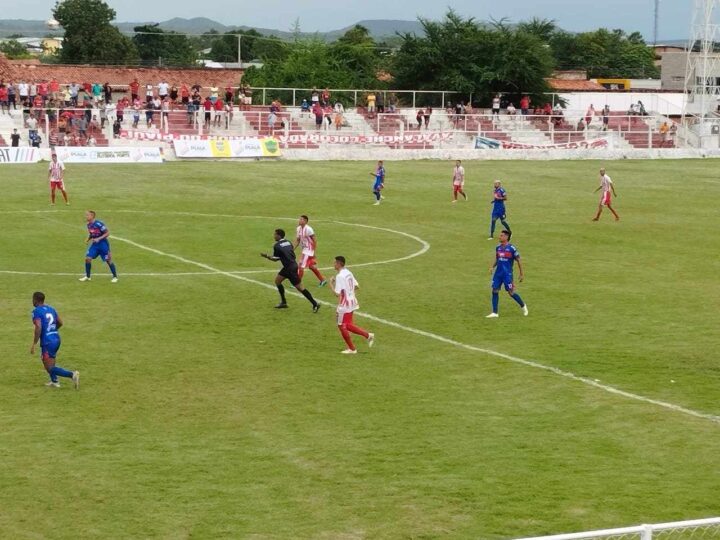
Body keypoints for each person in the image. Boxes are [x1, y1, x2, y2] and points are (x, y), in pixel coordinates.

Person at [261, 229, 320, 312]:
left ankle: (315, 304)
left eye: (275, 234)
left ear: (279, 235)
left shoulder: (277, 245)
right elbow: (290, 251)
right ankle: (283, 302)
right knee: (277, 281)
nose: (274, 236)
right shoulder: (288, 242)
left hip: (289, 269)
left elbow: (275, 259)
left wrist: (267, 256)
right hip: (291, 266)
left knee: (300, 288)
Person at [30, 291, 80, 389]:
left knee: (49, 367)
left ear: (35, 300)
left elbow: (38, 327)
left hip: (48, 341)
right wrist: (52, 330)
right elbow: (60, 322)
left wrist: (34, 343)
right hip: (56, 338)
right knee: (48, 361)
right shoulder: (51, 309)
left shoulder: (36, 311)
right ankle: (55, 381)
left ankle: (72, 375)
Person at [331, 256, 374, 354]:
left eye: (334, 263)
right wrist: (349, 292)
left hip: (344, 305)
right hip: (352, 302)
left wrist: (331, 283)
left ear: (338, 263)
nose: (333, 264)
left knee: (341, 325)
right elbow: (357, 286)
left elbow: (337, 294)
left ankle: (352, 349)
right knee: (348, 324)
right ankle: (368, 336)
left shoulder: (339, 276)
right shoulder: (348, 272)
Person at [486, 230, 528, 318]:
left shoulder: (512, 248)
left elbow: (519, 260)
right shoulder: (498, 247)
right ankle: (495, 312)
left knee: (511, 292)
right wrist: (492, 267)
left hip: (507, 274)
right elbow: (498, 259)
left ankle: (523, 305)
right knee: (494, 290)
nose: (499, 237)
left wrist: (521, 274)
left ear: (506, 237)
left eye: (501, 236)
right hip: (498, 274)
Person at [80, 210, 119, 282]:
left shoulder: (99, 224)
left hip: (103, 244)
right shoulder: (88, 224)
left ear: (92, 216)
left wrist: (99, 238)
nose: (86, 216)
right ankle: (88, 277)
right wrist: (88, 239)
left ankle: (115, 277)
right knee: (88, 258)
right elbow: (91, 233)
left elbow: (107, 233)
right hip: (95, 245)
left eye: (87, 215)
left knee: (108, 260)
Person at [293, 215, 327, 286]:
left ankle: (297, 283)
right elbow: (298, 240)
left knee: (301, 265)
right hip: (304, 249)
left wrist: (313, 251)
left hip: (308, 250)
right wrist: (292, 249)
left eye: (301, 219)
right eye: (299, 219)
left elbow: (314, 240)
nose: (299, 220)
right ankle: (322, 280)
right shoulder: (298, 228)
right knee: (311, 266)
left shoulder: (309, 229)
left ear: (305, 221)